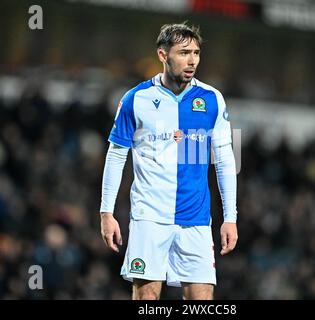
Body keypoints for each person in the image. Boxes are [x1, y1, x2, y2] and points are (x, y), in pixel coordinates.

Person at [99, 22, 238, 300]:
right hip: (150, 217)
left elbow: (224, 160)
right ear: (163, 55)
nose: (192, 60)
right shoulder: (136, 99)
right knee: (147, 299)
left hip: (196, 219)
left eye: (196, 53)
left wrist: (230, 217)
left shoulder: (212, 99)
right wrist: (106, 212)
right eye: (184, 52)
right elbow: (116, 155)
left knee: (201, 300)